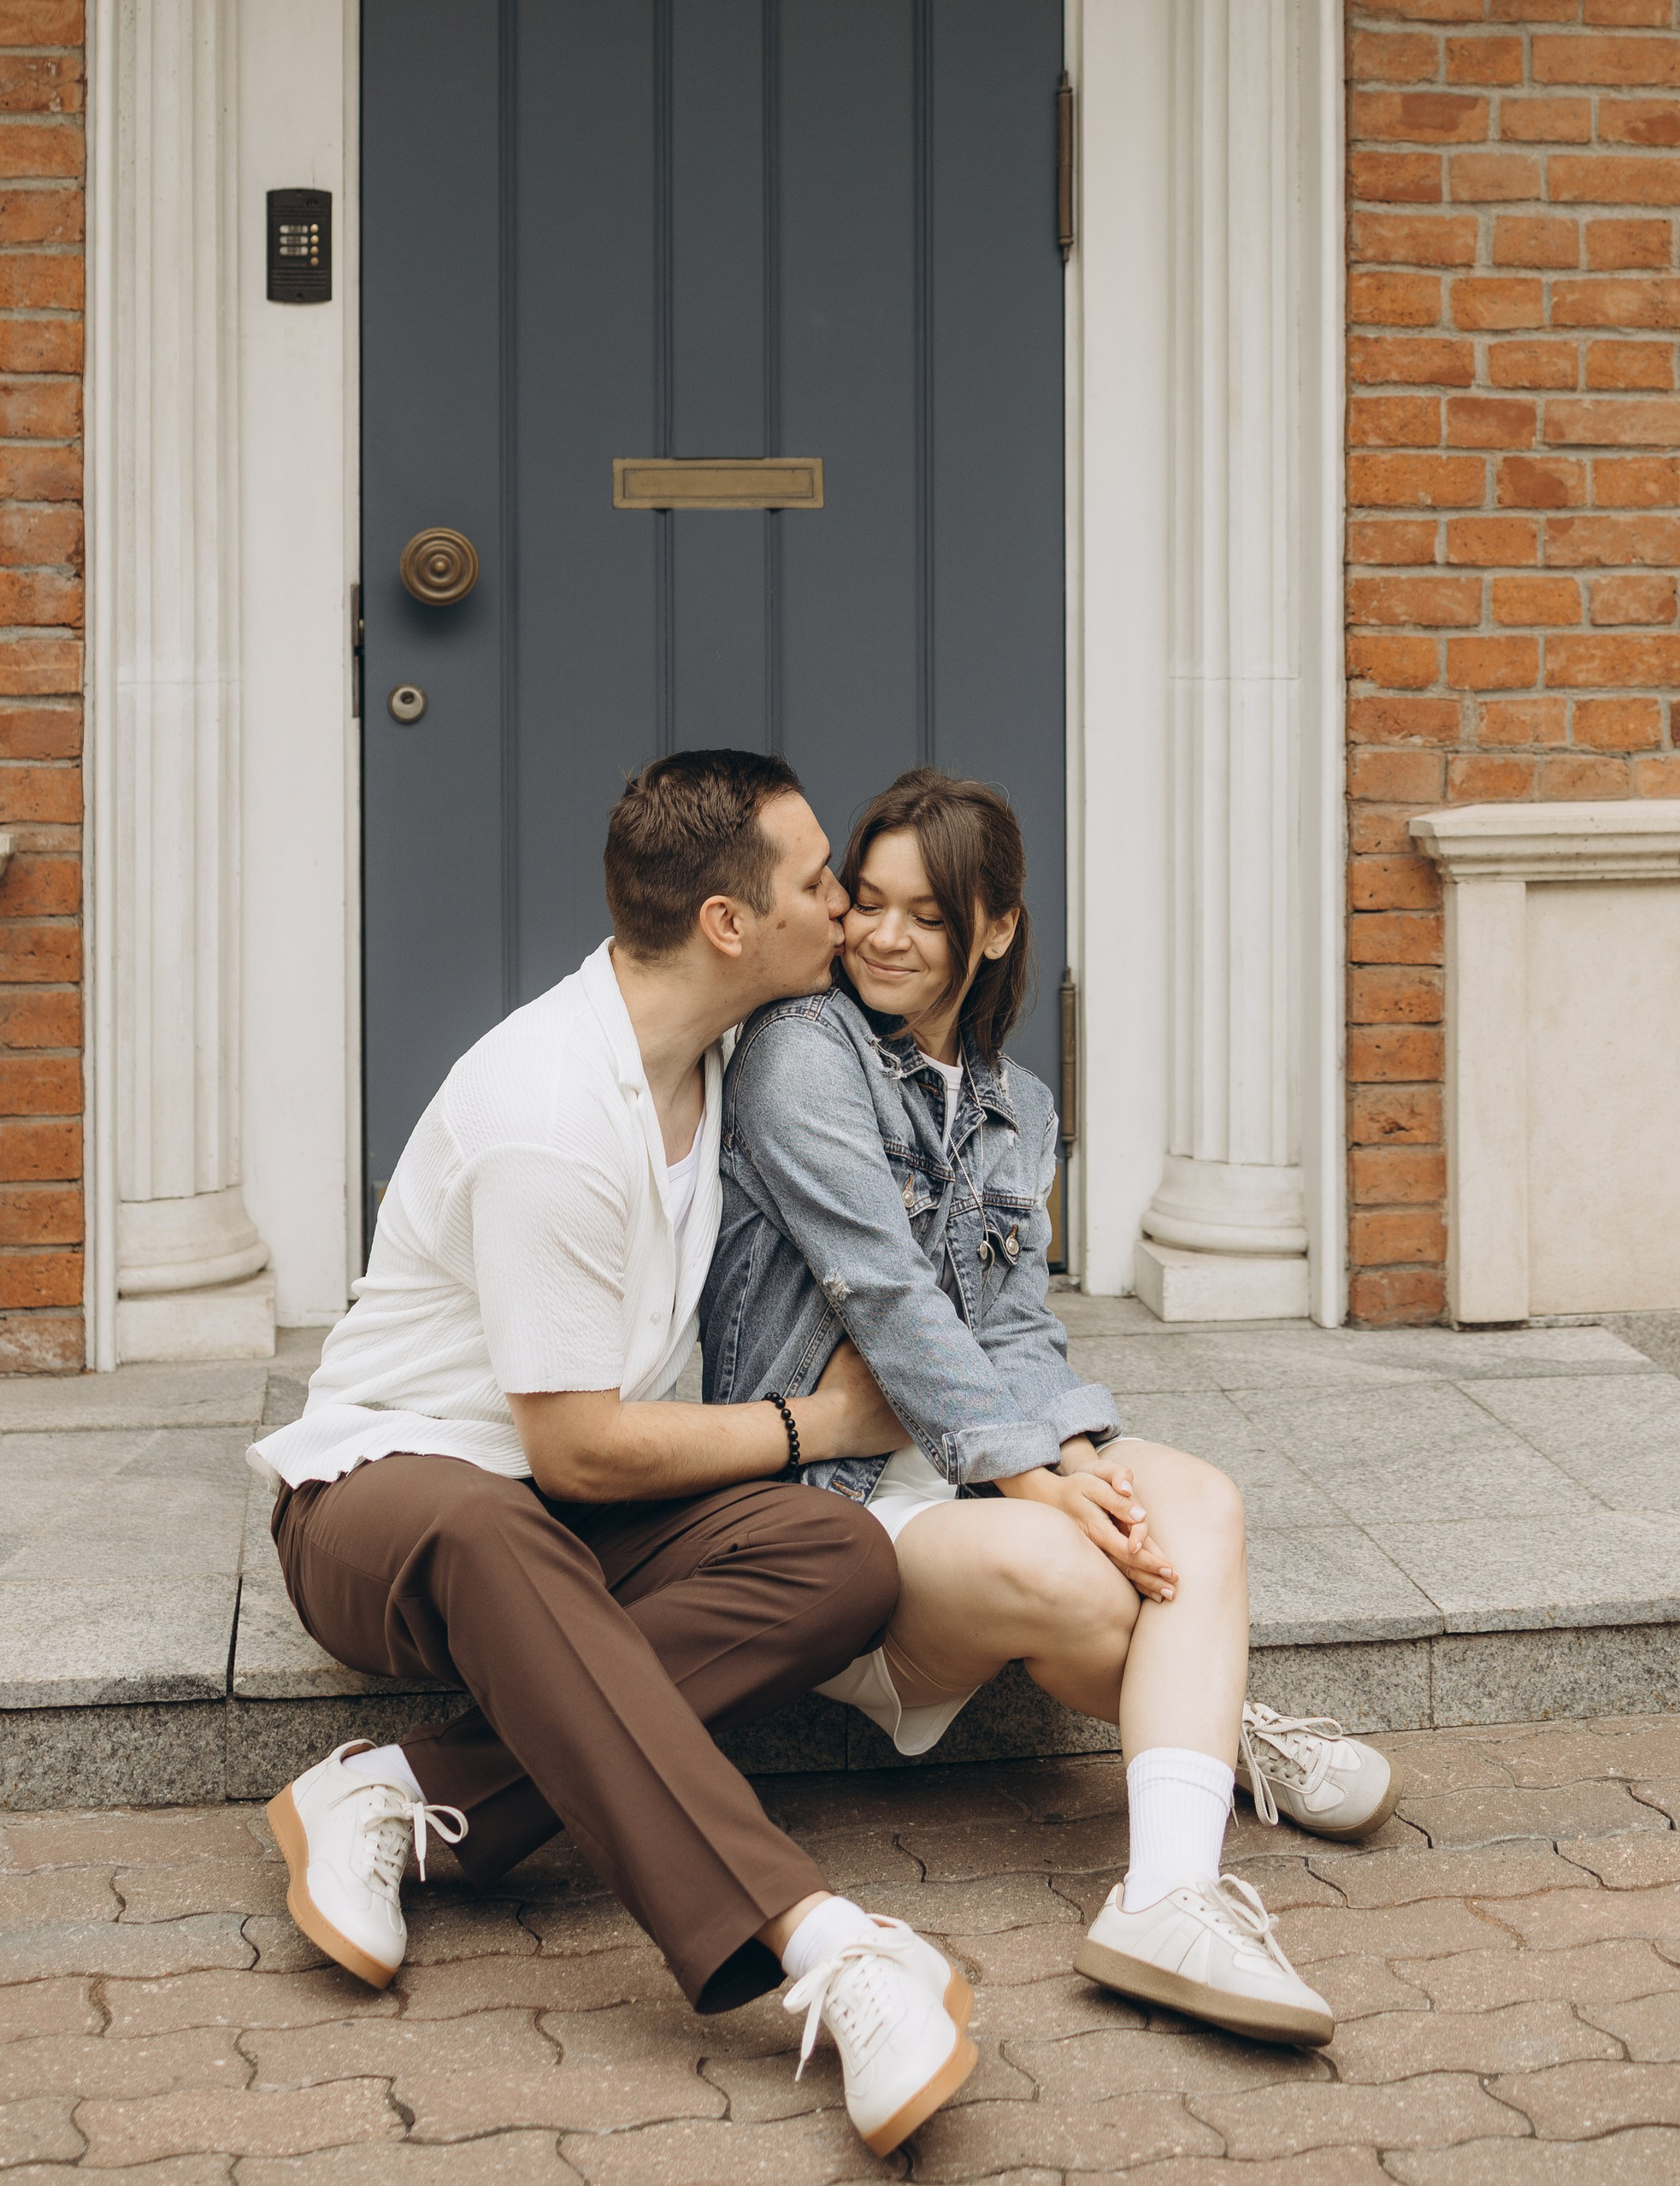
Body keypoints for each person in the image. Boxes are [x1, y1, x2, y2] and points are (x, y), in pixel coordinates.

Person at [251, 750, 976, 2160]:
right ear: (728, 923)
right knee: (493, 1523)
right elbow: (577, 1449)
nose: (843, 905)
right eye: (819, 881)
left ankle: (400, 1788)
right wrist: (816, 1426)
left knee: (835, 1556)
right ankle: (823, 1942)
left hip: (556, 1525)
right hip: (383, 1506)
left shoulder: (724, 1060)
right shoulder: (549, 1109)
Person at [705, 766, 1400, 2050]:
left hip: (969, 1460)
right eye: (867, 901)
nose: (883, 936)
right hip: (833, 1497)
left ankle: (1168, 1893)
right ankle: (1210, 1727)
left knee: (1198, 1503)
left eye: (926, 914)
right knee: (1084, 1575)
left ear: (996, 927)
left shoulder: (1019, 1108)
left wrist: (1078, 1459)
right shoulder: (801, 1053)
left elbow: (1017, 1324)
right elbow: (886, 1292)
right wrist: (1036, 1480)